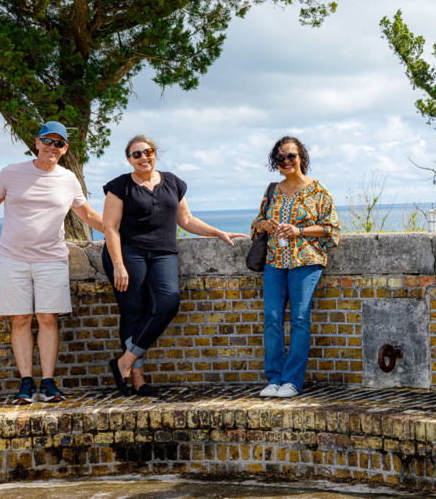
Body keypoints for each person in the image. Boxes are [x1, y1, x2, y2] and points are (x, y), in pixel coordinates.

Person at [0, 121, 105, 403]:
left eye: (58, 143)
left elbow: (90, 216)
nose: (52, 147)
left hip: (51, 259)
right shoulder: (11, 172)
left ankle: (48, 382)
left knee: (47, 319)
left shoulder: (68, 179)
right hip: (12, 258)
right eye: (48, 141)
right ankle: (26, 383)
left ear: (65, 149)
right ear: (37, 142)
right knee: (20, 319)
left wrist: (123, 232)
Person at [103, 135, 246, 397]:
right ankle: (137, 380)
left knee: (169, 302)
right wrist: (118, 265)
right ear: (129, 160)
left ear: (155, 153)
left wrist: (218, 232)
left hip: (163, 252)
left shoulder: (172, 182)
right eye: (137, 154)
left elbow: (187, 219)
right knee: (133, 313)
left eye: (148, 151)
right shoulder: (119, 186)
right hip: (128, 252)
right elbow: (110, 227)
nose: (144, 157)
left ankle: (124, 361)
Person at [251, 136, 340, 398]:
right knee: (272, 319)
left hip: (306, 262)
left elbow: (332, 229)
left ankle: (292, 381)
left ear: (301, 157)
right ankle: (274, 379)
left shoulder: (318, 191)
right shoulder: (272, 191)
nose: (286, 161)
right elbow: (257, 222)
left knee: (300, 319)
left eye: (291, 156)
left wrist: (298, 230)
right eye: (280, 158)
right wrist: (264, 224)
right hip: (274, 262)